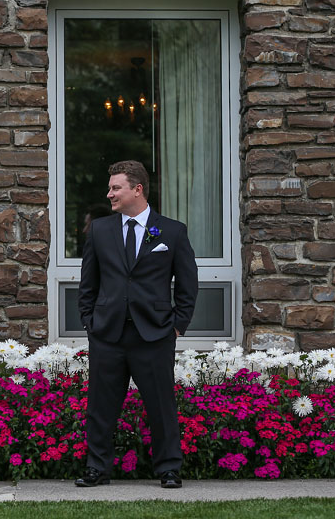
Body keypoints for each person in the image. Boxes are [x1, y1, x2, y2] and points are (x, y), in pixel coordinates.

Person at [76, 160, 198, 489]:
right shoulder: (100, 230)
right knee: (100, 406)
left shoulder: (172, 231)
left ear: (137, 189)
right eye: (111, 188)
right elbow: (88, 284)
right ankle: (97, 468)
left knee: (161, 405)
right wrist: (90, 322)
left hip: (155, 334)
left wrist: (177, 326)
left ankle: (169, 469)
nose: (109, 194)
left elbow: (188, 285)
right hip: (108, 334)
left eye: (116, 188)